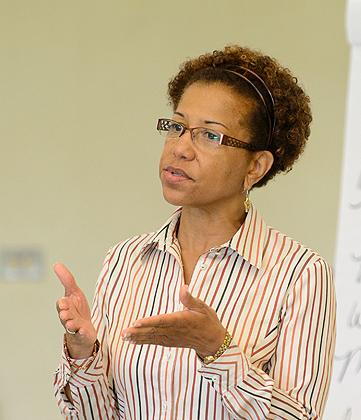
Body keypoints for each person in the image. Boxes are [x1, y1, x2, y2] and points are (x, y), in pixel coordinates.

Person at [53, 44, 336, 420]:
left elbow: (300, 417)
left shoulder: (300, 274)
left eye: (209, 136)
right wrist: (83, 351)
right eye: (177, 127)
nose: (180, 149)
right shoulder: (124, 260)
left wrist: (217, 349)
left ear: (256, 166)